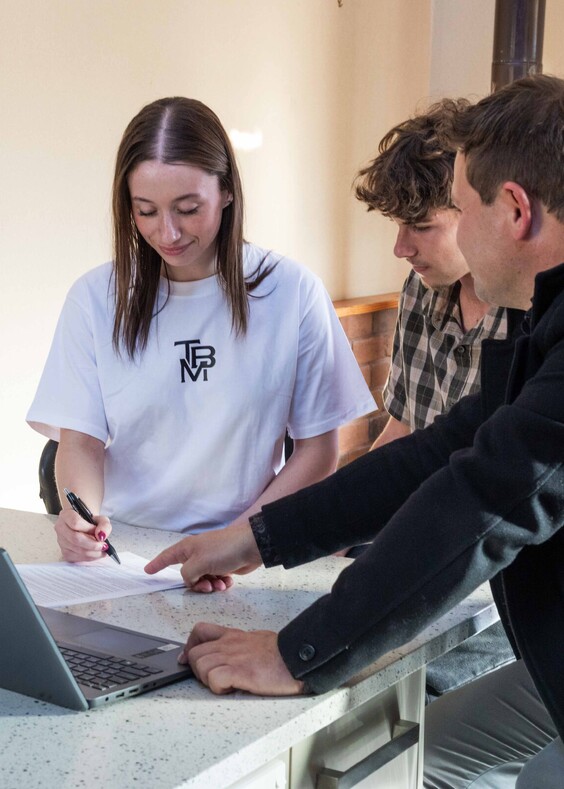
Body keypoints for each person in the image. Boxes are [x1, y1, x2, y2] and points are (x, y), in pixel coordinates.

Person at [145, 74, 564, 786]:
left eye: (461, 209)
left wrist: (295, 652)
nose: (452, 232)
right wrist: (259, 536)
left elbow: (483, 498)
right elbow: (437, 450)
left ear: (516, 210)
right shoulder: (542, 324)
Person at [27, 97, 375, 584]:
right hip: (126, 559)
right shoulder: (95, 298)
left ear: (227, 191)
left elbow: (317, 451)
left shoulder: (291, 291)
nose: (167, 232)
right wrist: (78, 518)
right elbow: (81, 441)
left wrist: (236, 542)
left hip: (248, 552)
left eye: (188, 209)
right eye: (145, 211)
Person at [355, 100, 517, 701]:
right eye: (397, 226)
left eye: (421, 226)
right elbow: (403, 431)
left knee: (394, 693)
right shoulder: (424, 292)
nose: (401, 248)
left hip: (499, 586)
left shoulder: (535, 316)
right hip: (429, 554)